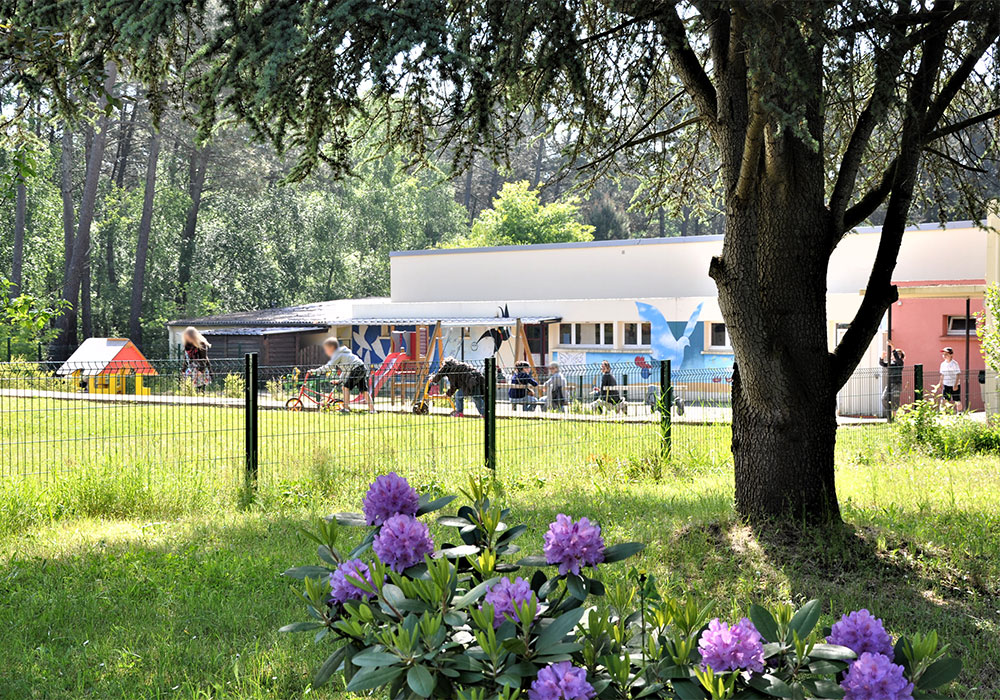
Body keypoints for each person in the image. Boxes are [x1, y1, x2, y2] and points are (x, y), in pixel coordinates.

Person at [315, 338, 374, 413]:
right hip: (361, 367)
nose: (326, 351)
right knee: (364, 390)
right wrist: (339, 380)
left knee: (346, 387)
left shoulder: (338, 354)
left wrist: (316, 371)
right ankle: (372, 410)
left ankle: (346, 408)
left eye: (327, 349)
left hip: (356, 369)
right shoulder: (343, 353)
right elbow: (346, 370)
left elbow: (329, 366)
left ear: (332, 347)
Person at [879, 341, 905, 420]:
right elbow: (882, 364)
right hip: (889, 384)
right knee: (884, 398)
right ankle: (890, 415)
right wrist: (882, 357)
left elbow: (897, 358)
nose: (895, 356)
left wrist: (892, 347)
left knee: (895, 400)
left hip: (897, 384)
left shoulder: (900, 363)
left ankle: (895, 418)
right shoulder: (891, 363)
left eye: (898, 354)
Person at [939, 346, 962, 411]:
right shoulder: (943, 364)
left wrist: (956, 384)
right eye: (943, 354)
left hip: (954, 384)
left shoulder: (954, 364)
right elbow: (942, 374)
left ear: (951, 355)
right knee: (944, 399)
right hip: (946, 384)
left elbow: (957, 374)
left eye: (946, 354)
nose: (944, 356)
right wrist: (940, 383)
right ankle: (943, 413)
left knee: (957, 400)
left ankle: (959, 413)